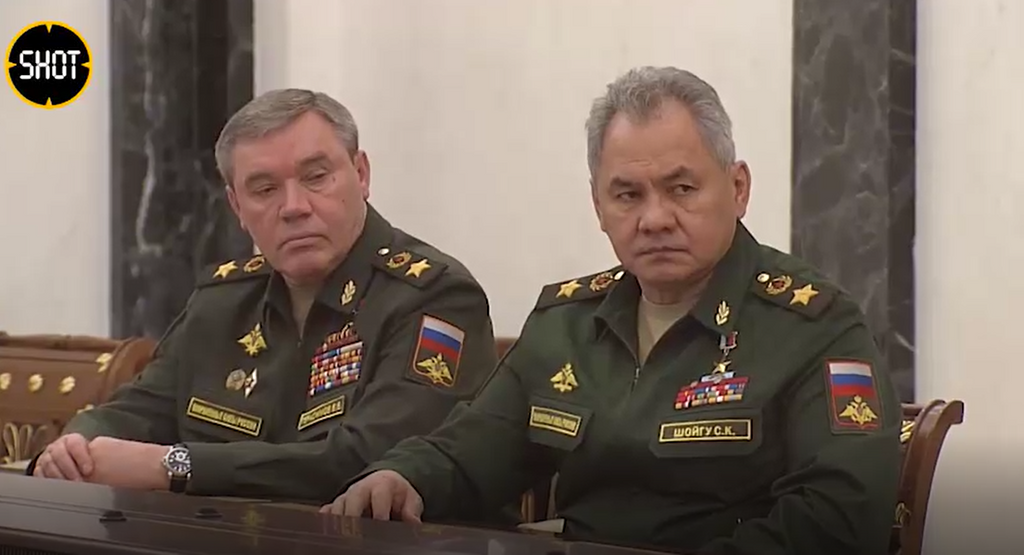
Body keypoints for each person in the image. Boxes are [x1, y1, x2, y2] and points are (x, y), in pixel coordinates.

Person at [324, 67, 902, 555]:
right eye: (628, 195)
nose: (654, 219)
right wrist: (403, 477)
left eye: (682, 189)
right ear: (599, 206)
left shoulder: (814, 326)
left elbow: (842, 518)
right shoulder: (568, 323)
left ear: (738, 188)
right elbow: (471, 452)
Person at [27, 89, 498, 504]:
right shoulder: (224, 300)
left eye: (316, 177)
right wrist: (76, 446)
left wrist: (175, 467)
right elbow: (137, 411)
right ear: (237, 206)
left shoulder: (434, 297)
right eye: (265, 189)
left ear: (361, 173)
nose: (294, 207)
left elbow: (369, 459)